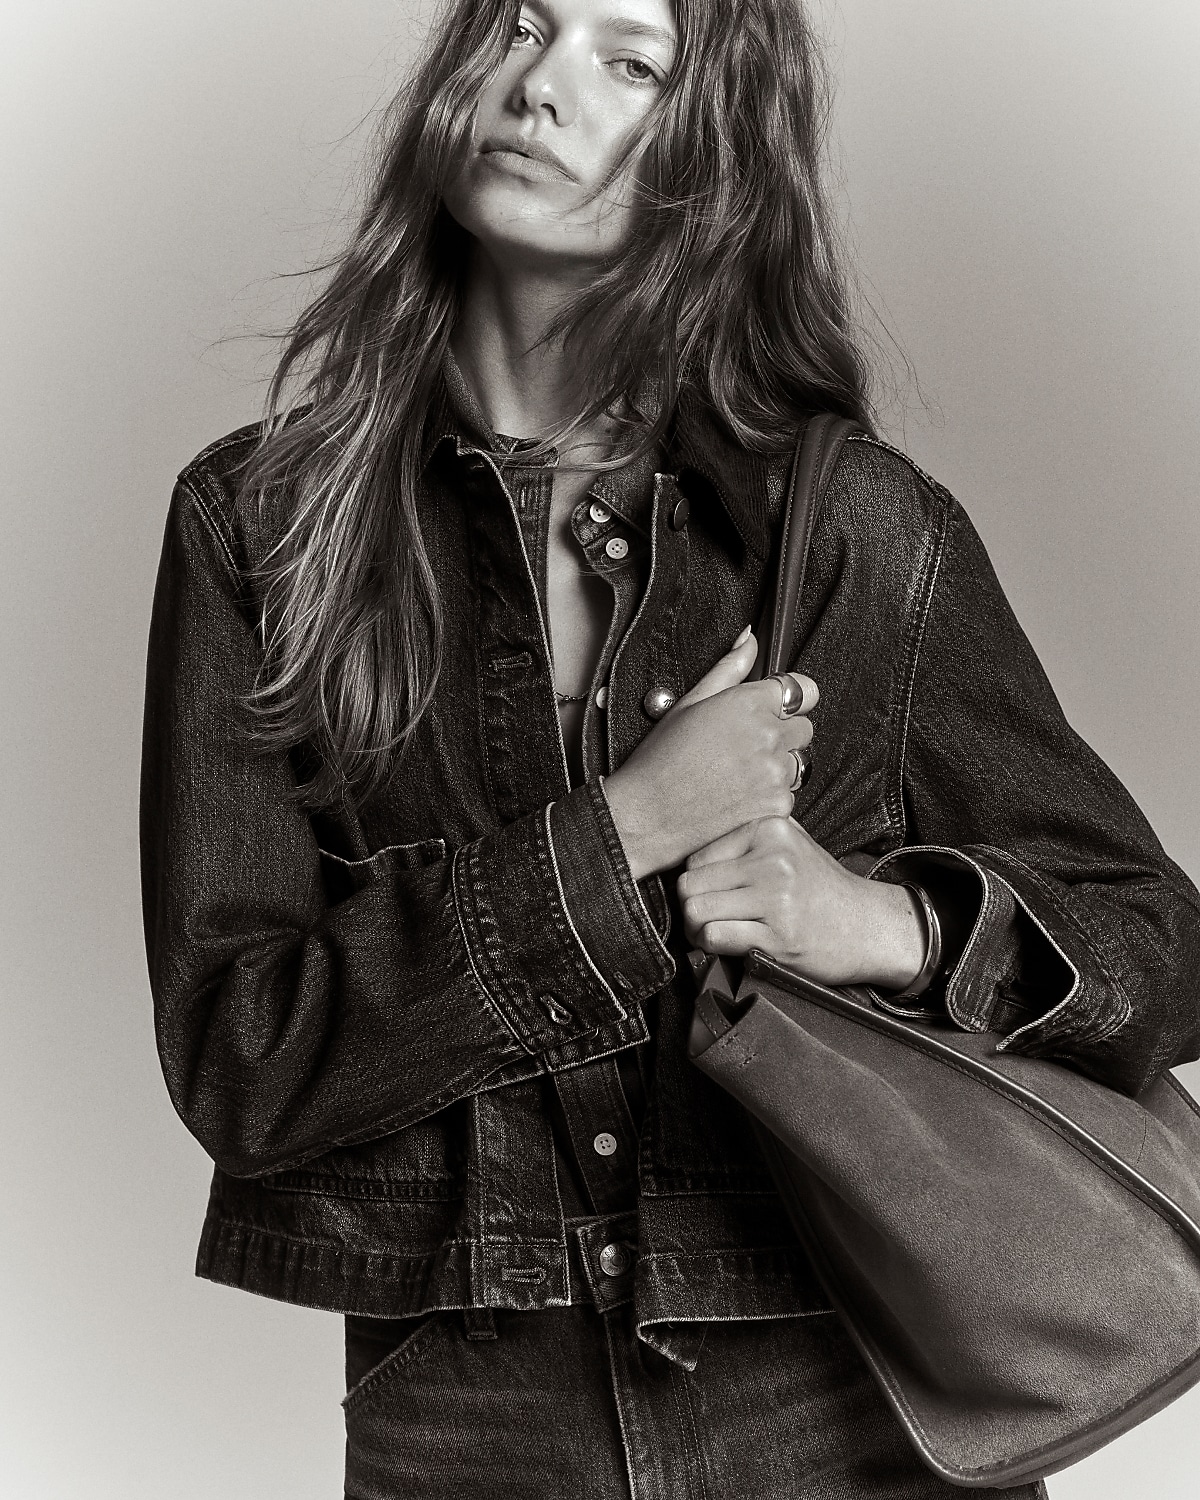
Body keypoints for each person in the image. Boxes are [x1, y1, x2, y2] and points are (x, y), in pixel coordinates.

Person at [139, 0, 1200, 1495]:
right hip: (468, 1405)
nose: (539, 85)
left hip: (834, 1390)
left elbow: (1164, 949)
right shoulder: (261, 529)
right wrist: (621, 837)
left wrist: (886, 923)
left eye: (628, 61)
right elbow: (239, 1063)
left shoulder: (848, 530)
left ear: (715, 155)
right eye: (519, 25)